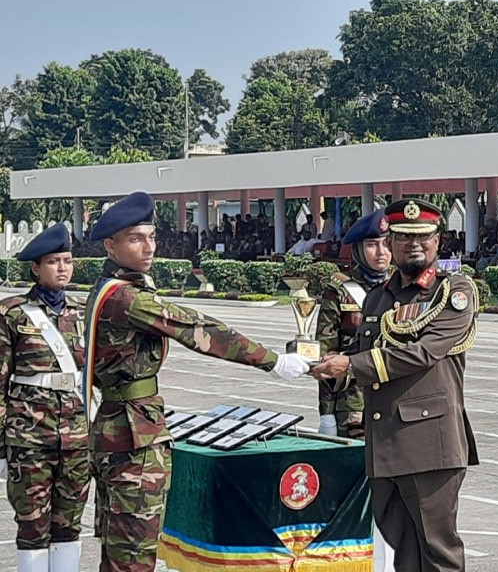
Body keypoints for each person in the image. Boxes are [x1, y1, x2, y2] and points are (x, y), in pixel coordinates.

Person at [85, 192, 312, 572]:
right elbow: (196, 329)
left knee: (118, 550)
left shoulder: (110, 287)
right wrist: (272, 361)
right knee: (134, 555)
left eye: (152, 236)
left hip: (120, 425)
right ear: (111, 245)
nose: (148, 247)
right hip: (132, 434)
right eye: (135, 239)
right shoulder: (126, 298)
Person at [312, 198, 478, 572]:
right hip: (384, 443)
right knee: (403, 549)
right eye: (403, 237)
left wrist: (350, 364)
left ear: (439, 240)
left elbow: (421, 354)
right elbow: (359, 351)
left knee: (438, 553)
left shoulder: (452, 293)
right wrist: (317, 362)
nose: (413, 244)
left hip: (429, 443)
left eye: (423, 237)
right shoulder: (379, 296)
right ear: (392, 243)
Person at [0, 225, 88, 572]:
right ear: (35, 268)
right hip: (29, 438)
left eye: (67, 261)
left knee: (69, 524)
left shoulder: (82, 312)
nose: (63, 268)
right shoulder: (13, 314)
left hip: (77, 437)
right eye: (54, 261)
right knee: (33, 526)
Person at [314, 209, 392, 438]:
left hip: (394, 405)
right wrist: (326, 413)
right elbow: (326, 354)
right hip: (353, 409)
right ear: (358, 249)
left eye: (387, 244)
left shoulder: (403, 290)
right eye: (371, 245)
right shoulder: (339, 292)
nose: (381, 252)